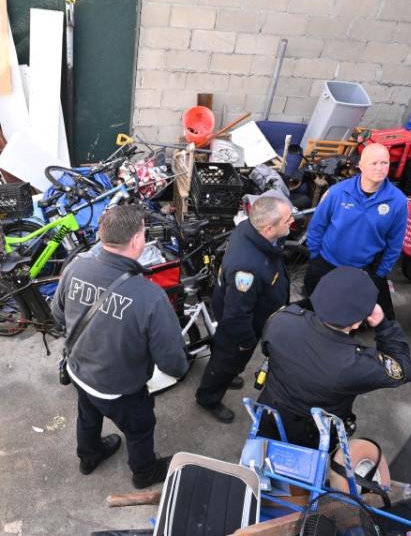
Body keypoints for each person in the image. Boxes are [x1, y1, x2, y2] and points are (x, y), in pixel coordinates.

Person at [52, 204, 189, 489]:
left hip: (78, 371)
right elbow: (172, 361)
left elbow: (57, 313)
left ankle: (88, 457)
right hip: (120, 388)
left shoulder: (75, 266)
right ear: (137, 240)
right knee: (140, 428)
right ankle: (144, 472)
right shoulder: (149, 296)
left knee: (88, 416)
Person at [256, 266, 411, 448]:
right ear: (356, 324)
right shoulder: (355, 365)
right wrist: (383, 326)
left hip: (269, 412)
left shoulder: (280, 321)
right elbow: (404, 369)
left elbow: (268, 350)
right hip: (314, 433)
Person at [195, 196, 293, 423]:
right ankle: (208, 397)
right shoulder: (247, 268)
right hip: (240, 329)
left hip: (252, 315)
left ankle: (229, 374)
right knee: (225, 361)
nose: (292, 222)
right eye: (288, 219)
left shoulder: (250, 230)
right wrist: (246, 342)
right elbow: (236, 314)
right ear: (269, 228)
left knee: (232, 363)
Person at [305, 143, 408, 320]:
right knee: (316, 305)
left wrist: (381, 272)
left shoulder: (397, 201)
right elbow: (317, 226)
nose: (380, 168)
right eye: (373, 163)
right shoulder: (338, 192)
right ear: (360, 166)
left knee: (349, 313)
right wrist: (315, 256)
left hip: (362, 269)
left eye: (385, 163)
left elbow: (395, 242)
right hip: (327, 262)